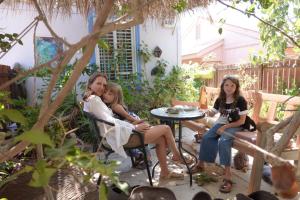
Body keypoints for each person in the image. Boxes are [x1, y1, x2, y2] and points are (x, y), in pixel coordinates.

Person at [83, 72, 190, 180]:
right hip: (122, 138)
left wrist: (132, 125)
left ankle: (165, 172)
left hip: (116, 135)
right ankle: (176, 156)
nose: (102, 87)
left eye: (104, 85)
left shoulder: (92, 100)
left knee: (161, 139)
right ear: (90, 84)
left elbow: (111, 121)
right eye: (98, 84)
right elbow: (110, 121)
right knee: (166, 128)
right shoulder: (94, 100)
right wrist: (134, 128)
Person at [191, 75, 248, 193]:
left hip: (236, 126)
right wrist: (206, 112)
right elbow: (213, 112)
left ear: (236, 87)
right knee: (206, 137)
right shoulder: (220, 99)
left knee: (224, 141)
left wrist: (226, 127)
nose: (229, 87)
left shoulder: (241, 100)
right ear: (222, 86)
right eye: (226, 85)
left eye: (232, 85)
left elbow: (242, 121)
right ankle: (201, 164)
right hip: (220, 124)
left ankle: (228, 176)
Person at [102, 82, 152, 169]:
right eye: (105, 92)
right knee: (128, 142)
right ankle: (139, 156)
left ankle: (148, 159)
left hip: (131, 121)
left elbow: (128, 116)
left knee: (140, 139)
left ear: (116, 97)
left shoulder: (115, 106)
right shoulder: (108, 105)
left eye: (110, 94)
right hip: (126, 123)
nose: (105, 95)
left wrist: (138, 122)